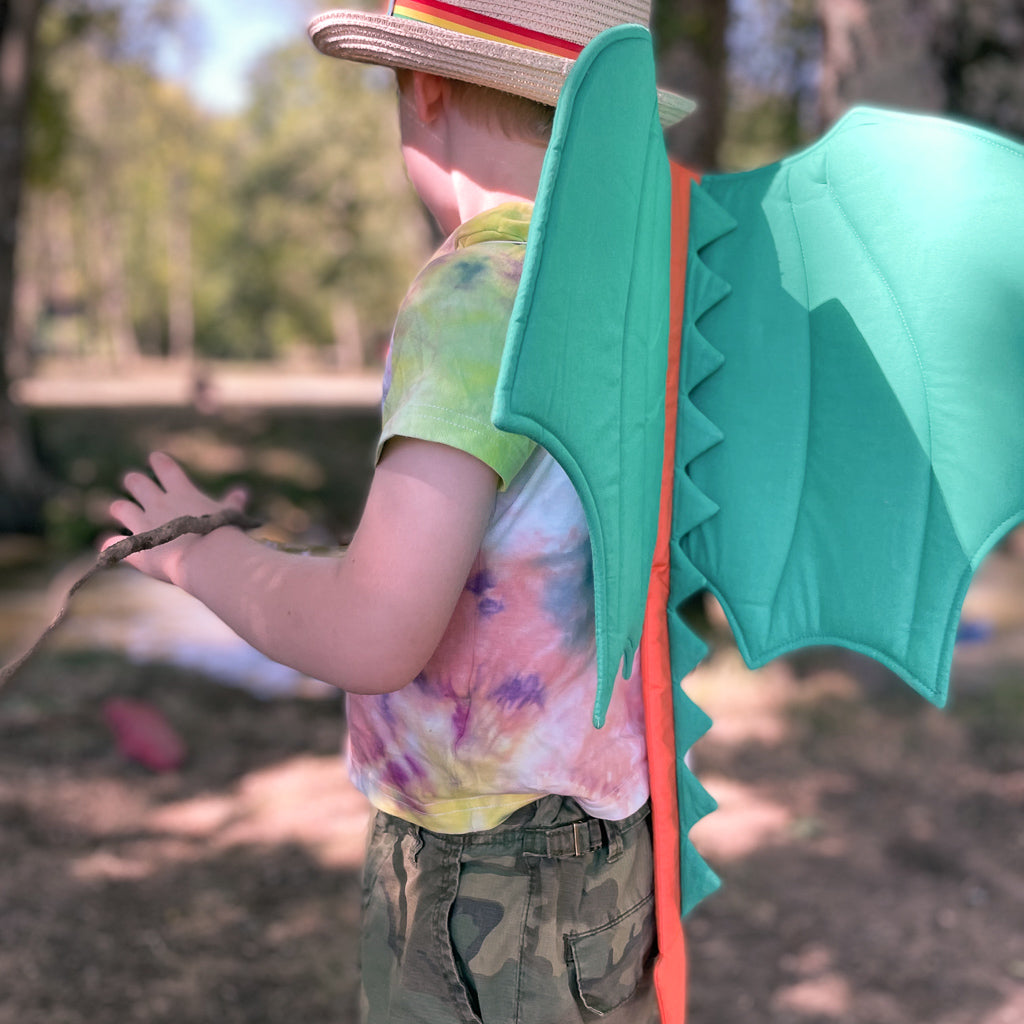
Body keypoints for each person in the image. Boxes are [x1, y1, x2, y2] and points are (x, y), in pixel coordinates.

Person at [109, 4, 694, 1022]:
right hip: (607, 838)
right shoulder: (637, 288)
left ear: (422, 89)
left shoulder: (474, 291)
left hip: (483, 866)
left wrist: (202, 555)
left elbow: (375, 630)